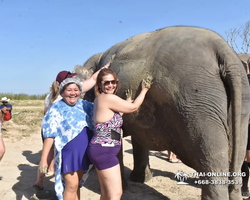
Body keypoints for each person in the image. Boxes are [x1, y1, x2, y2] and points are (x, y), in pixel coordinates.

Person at [39, 63, 110, 200]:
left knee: (76, 186)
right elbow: (49, 134)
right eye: (69, 90)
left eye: (76, 90)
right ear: (62, 91)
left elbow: (103, 110)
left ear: (81, 92)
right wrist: (44, 160)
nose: (73, 93)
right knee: (71, 186)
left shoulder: (86, 105)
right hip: (67, 153)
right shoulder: (56, 108)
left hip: (84, 153)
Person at [87, 68, 153, 200]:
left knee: (106, 193)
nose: (110, 85)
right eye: (106, 83)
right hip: (104, 152)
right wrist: (144, 90)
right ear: (100, 84)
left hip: (101, 150)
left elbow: (114, 117)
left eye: (113, 82)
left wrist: (127, 99)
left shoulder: (100, 99)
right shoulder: (108, 98)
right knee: (116, 194)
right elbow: (134, 108)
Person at [33, 70, 76, 192]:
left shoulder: (50, 95)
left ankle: (39, 182)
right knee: (59, 159)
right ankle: (59, 188)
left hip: (46, 130)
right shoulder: (62, 99)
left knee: (47, 156)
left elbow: (45, 113)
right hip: (57, 132)